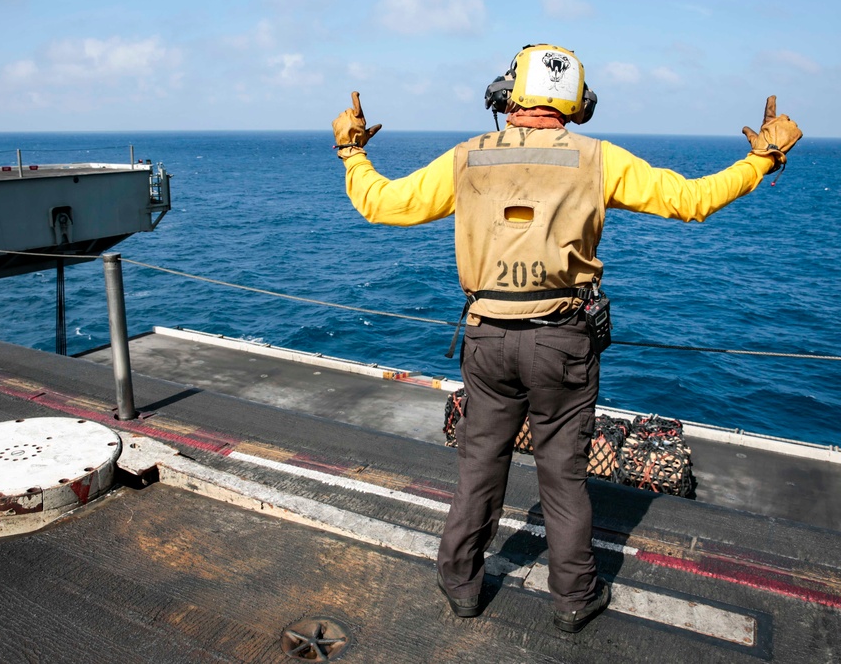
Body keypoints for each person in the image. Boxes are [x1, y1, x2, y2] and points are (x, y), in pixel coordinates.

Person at [331, 43, 802, 633]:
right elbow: (691, 199)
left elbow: (383, 205)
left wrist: (351, 150)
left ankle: (462, 588)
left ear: (509, 96)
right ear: (576, 103)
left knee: (480, 467)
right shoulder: (598, 160)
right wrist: (763, 156)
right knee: (564, 475)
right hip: (563, 342)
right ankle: (574, 599)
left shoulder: (467, 158)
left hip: (487, 339)